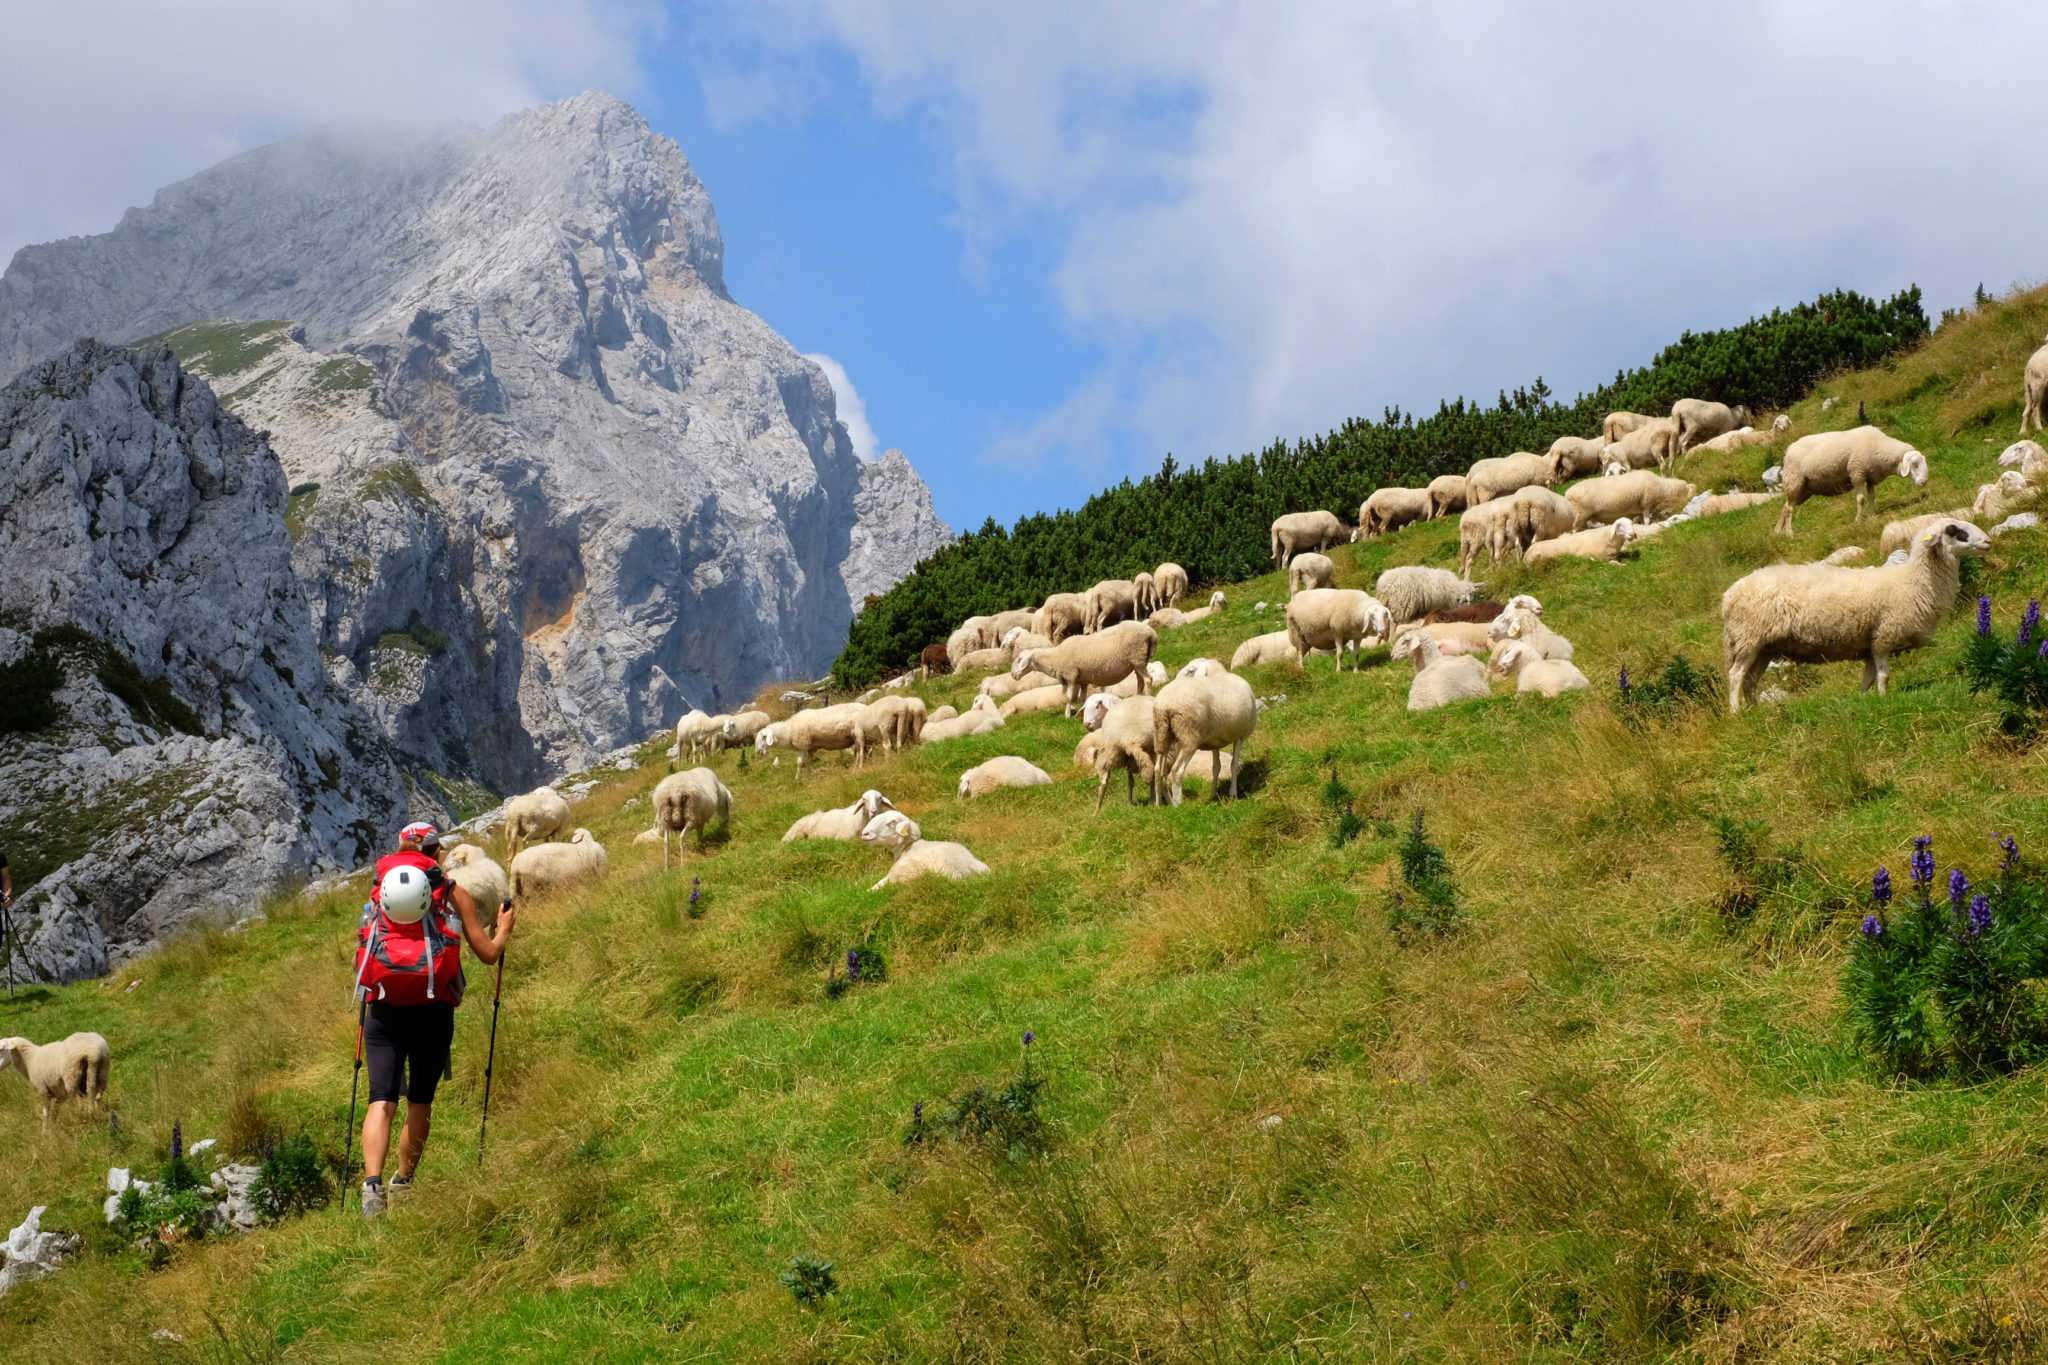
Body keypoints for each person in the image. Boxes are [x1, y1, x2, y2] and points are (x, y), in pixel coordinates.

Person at [355, 822, 513, 1217]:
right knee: (420, 1100)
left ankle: (371, 1187)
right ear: (436, 851)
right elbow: (488, 954)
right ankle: (404, 1180)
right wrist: (505, 928)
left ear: (400, 847)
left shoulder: (380, 891)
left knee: (381, 1100)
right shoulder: (451, 891)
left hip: (385, 1011)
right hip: (433, 1012)